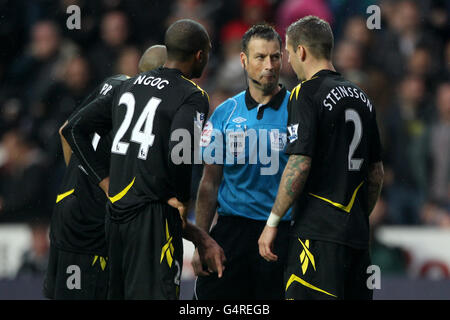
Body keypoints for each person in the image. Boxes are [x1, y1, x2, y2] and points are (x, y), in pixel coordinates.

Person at [62, 19, 225, 300]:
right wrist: (181, 202)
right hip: (154, 217)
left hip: (115, 217)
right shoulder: (192, 94)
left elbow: (73, 129)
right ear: (200, 55)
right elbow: (182, 149)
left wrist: (104, 181)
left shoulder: (127, 86)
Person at [258, 16, 384, 300]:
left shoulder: (305, 93)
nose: (288, 60)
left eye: (288, 52)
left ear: (301, 51)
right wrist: (358, 217)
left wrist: (273, 222)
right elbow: (376, 174)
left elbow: (299, 163)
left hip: (317, 234)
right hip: (357, 237)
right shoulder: (362, 97)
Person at [43, 45, 169, 300]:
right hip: (91, 231)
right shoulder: (151, 111)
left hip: (66, 212)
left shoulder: (113, 83)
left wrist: (80, 182)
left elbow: (65, 132)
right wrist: (100, 186)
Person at [193, 24, 292, 300]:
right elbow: (209, 183)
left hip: (281, 234)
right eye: (260, 57)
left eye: (275, 56)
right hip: (232, 232)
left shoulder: (298, 112)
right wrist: (202, 241)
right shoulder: (225, 113)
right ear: (243, 60)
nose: (269, 65)